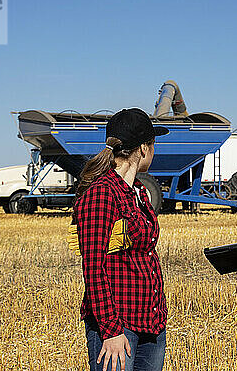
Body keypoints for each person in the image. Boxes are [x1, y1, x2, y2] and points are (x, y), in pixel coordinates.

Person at [70, 108, 169, 371]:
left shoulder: (137, 192)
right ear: (145, 148)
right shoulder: (101, 194)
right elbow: (93, 267)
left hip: (151, 321)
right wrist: (111, 330)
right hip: (119, 324)